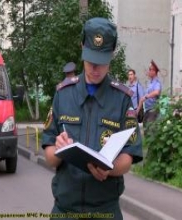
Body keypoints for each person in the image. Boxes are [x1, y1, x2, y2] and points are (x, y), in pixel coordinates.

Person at [42, 17, 143, 219]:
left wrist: (110, 169)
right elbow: (50, 157)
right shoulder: (63, 94)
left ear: (112, 54)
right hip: (64, 211)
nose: (95, 68)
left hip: (105, 211)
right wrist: (60, 149)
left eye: (101, 61)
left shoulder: (122, 99)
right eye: (90, 60)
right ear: (82, 47)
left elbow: (128, 157)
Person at [137, 60, 162, 125]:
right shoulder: (150, 82)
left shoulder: (157, 82)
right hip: (148, 110)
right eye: (149, 69)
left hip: (153, 110)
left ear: (154, 71)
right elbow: (142, 98)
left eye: (150, 69)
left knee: (150, 131)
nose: (149, 71)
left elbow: (156, 92)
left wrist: (146, 96)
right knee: (145, 129)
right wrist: (137, 111)